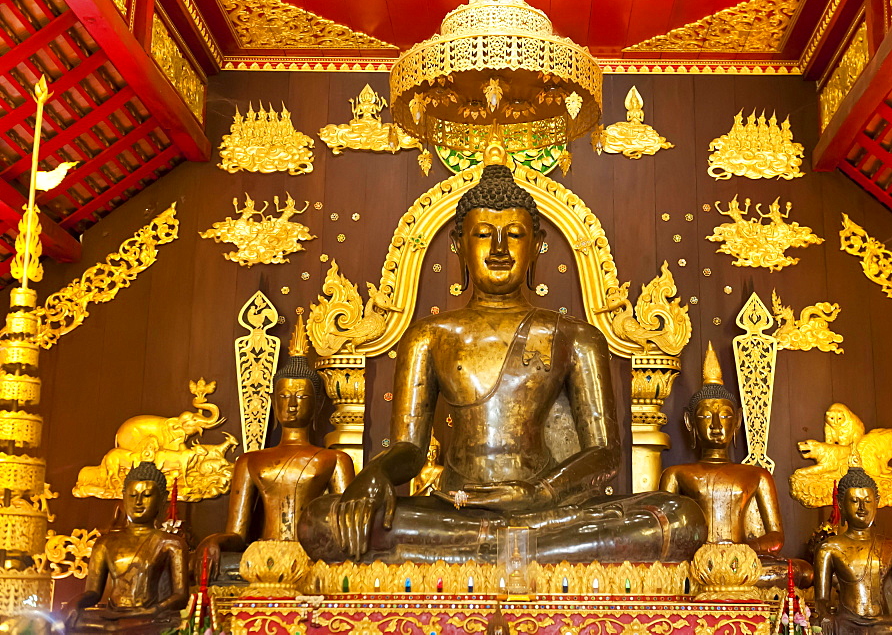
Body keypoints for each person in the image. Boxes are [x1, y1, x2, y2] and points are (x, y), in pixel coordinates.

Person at [298, 158, 706, 564]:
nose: (498, 249)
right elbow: (409, 448)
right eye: (482, 235)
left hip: (547, 511)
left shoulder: (575, 336)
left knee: (680, 516)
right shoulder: (429, 336)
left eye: (513, 234)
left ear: (537, 245)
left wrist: (541, 492)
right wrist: (376, 474)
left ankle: (477, 552)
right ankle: (519, 550)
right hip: (455, 509)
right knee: (321, 521)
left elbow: (605, 453)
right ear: (459, 245)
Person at [196, 313, 355, 579]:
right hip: (261, 560)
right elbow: (237, 533)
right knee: (223, 567)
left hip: (313, 558)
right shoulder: (249, 461)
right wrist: (213, 541)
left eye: (302, 396)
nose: (292, 404)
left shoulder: (335, 459)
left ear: (316, 404)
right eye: (284, 396)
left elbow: (345, 528)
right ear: (273, 402)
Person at [659, 342, 812, 588]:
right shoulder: (676, 474)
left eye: (726, 416)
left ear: (738, 420)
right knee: (667, 572)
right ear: (690, 423)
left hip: (741, 561)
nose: (717, 425)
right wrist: (701, 552)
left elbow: (775, 536)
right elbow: (665, 532)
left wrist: (742, 549)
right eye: (706, 416)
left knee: (802, 572)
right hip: (697, 563)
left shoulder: (757, 475)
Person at [63, 462, 188, 633]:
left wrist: (154, 610)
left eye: (147, 495)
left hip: (150, 617)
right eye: (132, 495)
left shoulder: (171, 543)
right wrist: (74, 603)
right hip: (112, 614)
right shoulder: (105, 543)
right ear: (123, 496)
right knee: (66, 620)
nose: (138, 502)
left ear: (162, 498)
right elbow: (93, 592)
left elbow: (180, 596)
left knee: (160, 626)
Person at [814, 466, 892, 634]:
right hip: (847, 622)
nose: (862, 507)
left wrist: (890, 618)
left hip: (883, 624)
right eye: (854, 501)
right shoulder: (829, 548)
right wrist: (825, 615)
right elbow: (821, 599)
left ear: (877, 502)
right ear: (841, 505)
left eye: (867, 501)